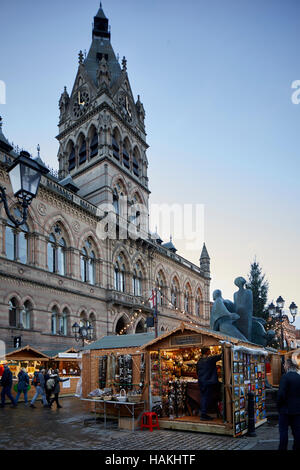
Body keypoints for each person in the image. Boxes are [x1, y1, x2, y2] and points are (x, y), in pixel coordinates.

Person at [277, 358, 300, 451]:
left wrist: (279, 406)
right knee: (297, 432)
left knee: (283, 432)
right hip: (298, 410)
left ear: (288, 366)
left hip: (285, 410)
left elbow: (281, 394)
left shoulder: (285, 377)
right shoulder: (299, 377)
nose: (283, 366)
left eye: (284, 364)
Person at [196, 347, 222, 421]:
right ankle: (203, 414)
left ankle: (204, 413)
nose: (210, 352)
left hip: (202, 381)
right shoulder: (210, 359)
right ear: (207, 352)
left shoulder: (199, 361)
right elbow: (220, 356)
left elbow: (197, 372)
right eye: (209, 351)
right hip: (208, 382)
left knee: (203, 397)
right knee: (206, 398)